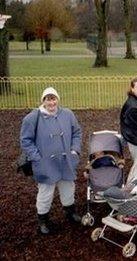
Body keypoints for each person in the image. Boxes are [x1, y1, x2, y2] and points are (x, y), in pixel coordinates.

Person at [20, 87, 82, 235]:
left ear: (57, 99)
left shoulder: (67, 114)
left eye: (53, 98)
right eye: (48, 99)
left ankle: (70, 212)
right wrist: (36, 157)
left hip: (66, 160)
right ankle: (43, 219)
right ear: (43, 100)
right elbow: (25, 140)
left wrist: (74, 150)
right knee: (45, 192)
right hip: (45, 162)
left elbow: (77, 132)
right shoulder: (33, 117)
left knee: (68, 186)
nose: (51, 102)